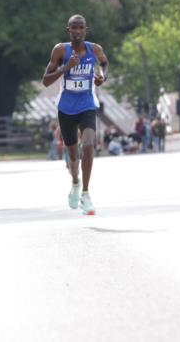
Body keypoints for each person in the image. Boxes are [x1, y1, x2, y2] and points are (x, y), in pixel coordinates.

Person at [42, 14, 109, 215]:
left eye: (81, 28)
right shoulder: (60, 50)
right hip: (66, 107)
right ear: (68, 30)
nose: (78, 31)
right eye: (74, 28)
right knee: (73, 157)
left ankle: (86, 194)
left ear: (86, 30)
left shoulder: (94, 49)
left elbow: (104, 63)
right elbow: (45, 81)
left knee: (88, 145)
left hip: (87, 103)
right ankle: (75, 183)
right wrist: (66, 68)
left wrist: (102, 77)